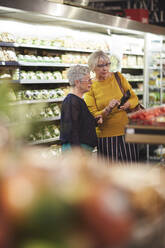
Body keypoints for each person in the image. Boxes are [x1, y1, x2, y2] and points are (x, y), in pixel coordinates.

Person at [84, 50, 139, 163]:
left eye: (107, 64)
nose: (105, 68)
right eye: (100, 66)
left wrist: (128, 104)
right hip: (106, 136)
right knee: (109, 171)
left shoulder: (118, 77)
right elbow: (93, 115)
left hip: (127, 131)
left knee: (130, 168)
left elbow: (134, 98)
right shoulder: (91, 87)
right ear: (93, 67)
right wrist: (107, 109)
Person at [60, 65, 100, 152]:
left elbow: (82, 124)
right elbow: (71, 130)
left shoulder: (78, 100)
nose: (91, 83)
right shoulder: (72, 102)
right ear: (77, 82)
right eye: (88, 80)